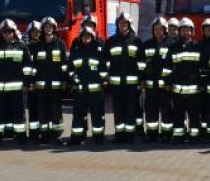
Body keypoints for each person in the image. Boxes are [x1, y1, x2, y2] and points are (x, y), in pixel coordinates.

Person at [0, 19, 33, 146]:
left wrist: (27, 84)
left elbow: (28, 67)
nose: (8, 34)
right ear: (1, 33)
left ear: (14, 33)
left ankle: (21, 137)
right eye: (5, 32)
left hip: (17, 89)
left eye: (10, 32)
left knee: (18, 114)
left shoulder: (22, 47)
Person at [105, 12, 143, 144]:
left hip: (132, 84)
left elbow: (142, 63)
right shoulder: (111, 41)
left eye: (125, 23)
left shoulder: (136, 40)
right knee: (118, 109)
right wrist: (106, 78)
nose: (123, 25)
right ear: (117, 25)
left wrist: (142, 80)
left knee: (130, 109)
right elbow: (104, 62)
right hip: (116, 84)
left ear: (129, 24)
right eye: (121, 23)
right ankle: (119, 135)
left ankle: (129, 135)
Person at [67, 27, 107, 146]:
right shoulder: (76, 52)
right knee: (78, 116)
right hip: (80, 91)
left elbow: (103, 69)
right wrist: (74, 79)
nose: (86, 38)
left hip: (95, 91)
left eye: (88, 36)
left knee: (97, 116)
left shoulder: (97, 52)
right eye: (84, 36)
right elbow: (70, 69)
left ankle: (99, 138)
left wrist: (103, 80)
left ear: (92, 37)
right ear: (80, 38)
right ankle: (76, 138)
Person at [31, 17, 68, 145]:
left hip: (56, 85)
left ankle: (56, 136)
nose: (48, 29)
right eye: (46, 27)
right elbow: (34, 66)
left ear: (54, 28)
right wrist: (32, 82)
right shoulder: (38, 45)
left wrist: (64, 80)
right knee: (42, 111)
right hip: (41, 85)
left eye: (50, 27)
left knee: (56, 111)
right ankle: (45, 135)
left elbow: (64, 64)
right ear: (43, 29)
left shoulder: (60, 43)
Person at [170, 18, 204, 142]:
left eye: (188, 30)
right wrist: (168, 83)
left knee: (194, 115)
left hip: (194, 89)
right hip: (178, 89)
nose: (185, 32)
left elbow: (203, 68)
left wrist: (201, 84)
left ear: (192, 31)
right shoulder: (173, 47)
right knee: (178, 114)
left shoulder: (197, 46)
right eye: (183, 30)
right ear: (179, 31)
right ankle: (179, 136)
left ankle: (194, 136)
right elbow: (167, 67)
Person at [142, 17, 174, 143]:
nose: (158, 31)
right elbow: (142, 65)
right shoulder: (147, 44)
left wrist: (169, 82)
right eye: (155, 29)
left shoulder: (171, 44)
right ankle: (152, 135)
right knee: (151, 111)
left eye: (160, 29)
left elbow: (173, 66)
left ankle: (167, 134)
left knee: (167, 111)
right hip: (151, 86)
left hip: (165, 87)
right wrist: (143, 80)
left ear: (165, 30)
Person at [25, 21, 43, 142]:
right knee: (33, 110)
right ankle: (33, 134)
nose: (35, 34)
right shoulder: (26, 48)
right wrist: (29, 83)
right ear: (29, 33)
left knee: (44, 109)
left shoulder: (45, 46)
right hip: (32, 84)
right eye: (33, 32)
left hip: (43, 83)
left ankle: (45, 133)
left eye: (37, 32)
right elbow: (25, 68)